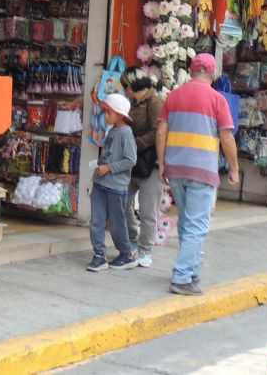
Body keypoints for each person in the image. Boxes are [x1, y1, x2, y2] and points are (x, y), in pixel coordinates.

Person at [156, 53, 238, 296]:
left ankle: (190, 271)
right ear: (212, 75)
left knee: (186, 222)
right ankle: (182, 277)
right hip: (201, 170)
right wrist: (234, 168)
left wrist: (162, 164)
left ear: (191, 71)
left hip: (176, 168)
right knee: (197, 225)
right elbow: (226, 137)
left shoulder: (173, 96)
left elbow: (161, 132)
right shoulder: (217, 99)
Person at [87, 93, 138, 272]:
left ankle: (126, 254)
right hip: (101, 183)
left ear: (120, 114)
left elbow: (131, 159)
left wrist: (108, 168)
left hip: (116, 186)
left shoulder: (125, 133)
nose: (105, 116)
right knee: (96, 220)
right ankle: (99, 255)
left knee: (116, 222)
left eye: (108, 112)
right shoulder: (114, 131)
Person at [121, 67, 165, 269]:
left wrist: (135, 144)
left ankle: (145, 250)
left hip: (150, 163)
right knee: (122, 202)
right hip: (132, 161)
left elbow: (159, 132)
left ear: (130, 87)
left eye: (125, 88)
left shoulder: (155, 101)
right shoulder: (132, 103)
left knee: (148, 211)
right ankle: (132, 239)